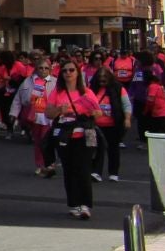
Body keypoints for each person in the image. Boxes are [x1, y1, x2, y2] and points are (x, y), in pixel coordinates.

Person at [51, 61, 101, 220]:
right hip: (66, 136)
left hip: (84, 135)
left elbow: (99, 113)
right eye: (65, 70)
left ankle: (85, 205)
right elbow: (48, 113)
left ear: (78, 72)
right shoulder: (57, 92)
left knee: (84, 169)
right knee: (69, 169)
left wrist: (93, 112)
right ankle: (73, 204)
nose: (68, 73)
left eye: (71, 70)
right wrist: (60, 110)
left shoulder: (86, 92)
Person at [92, 64, 131, 183]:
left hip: (113, 124)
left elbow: (126, 104)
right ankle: (96, 172)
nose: (102, 78)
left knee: (113, 149)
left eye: (104, 76)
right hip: (97, 125)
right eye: (100, 76)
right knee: (97, 149)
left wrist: (127, 119)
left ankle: (113, 173)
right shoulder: (92, 89)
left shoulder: (119, 88)